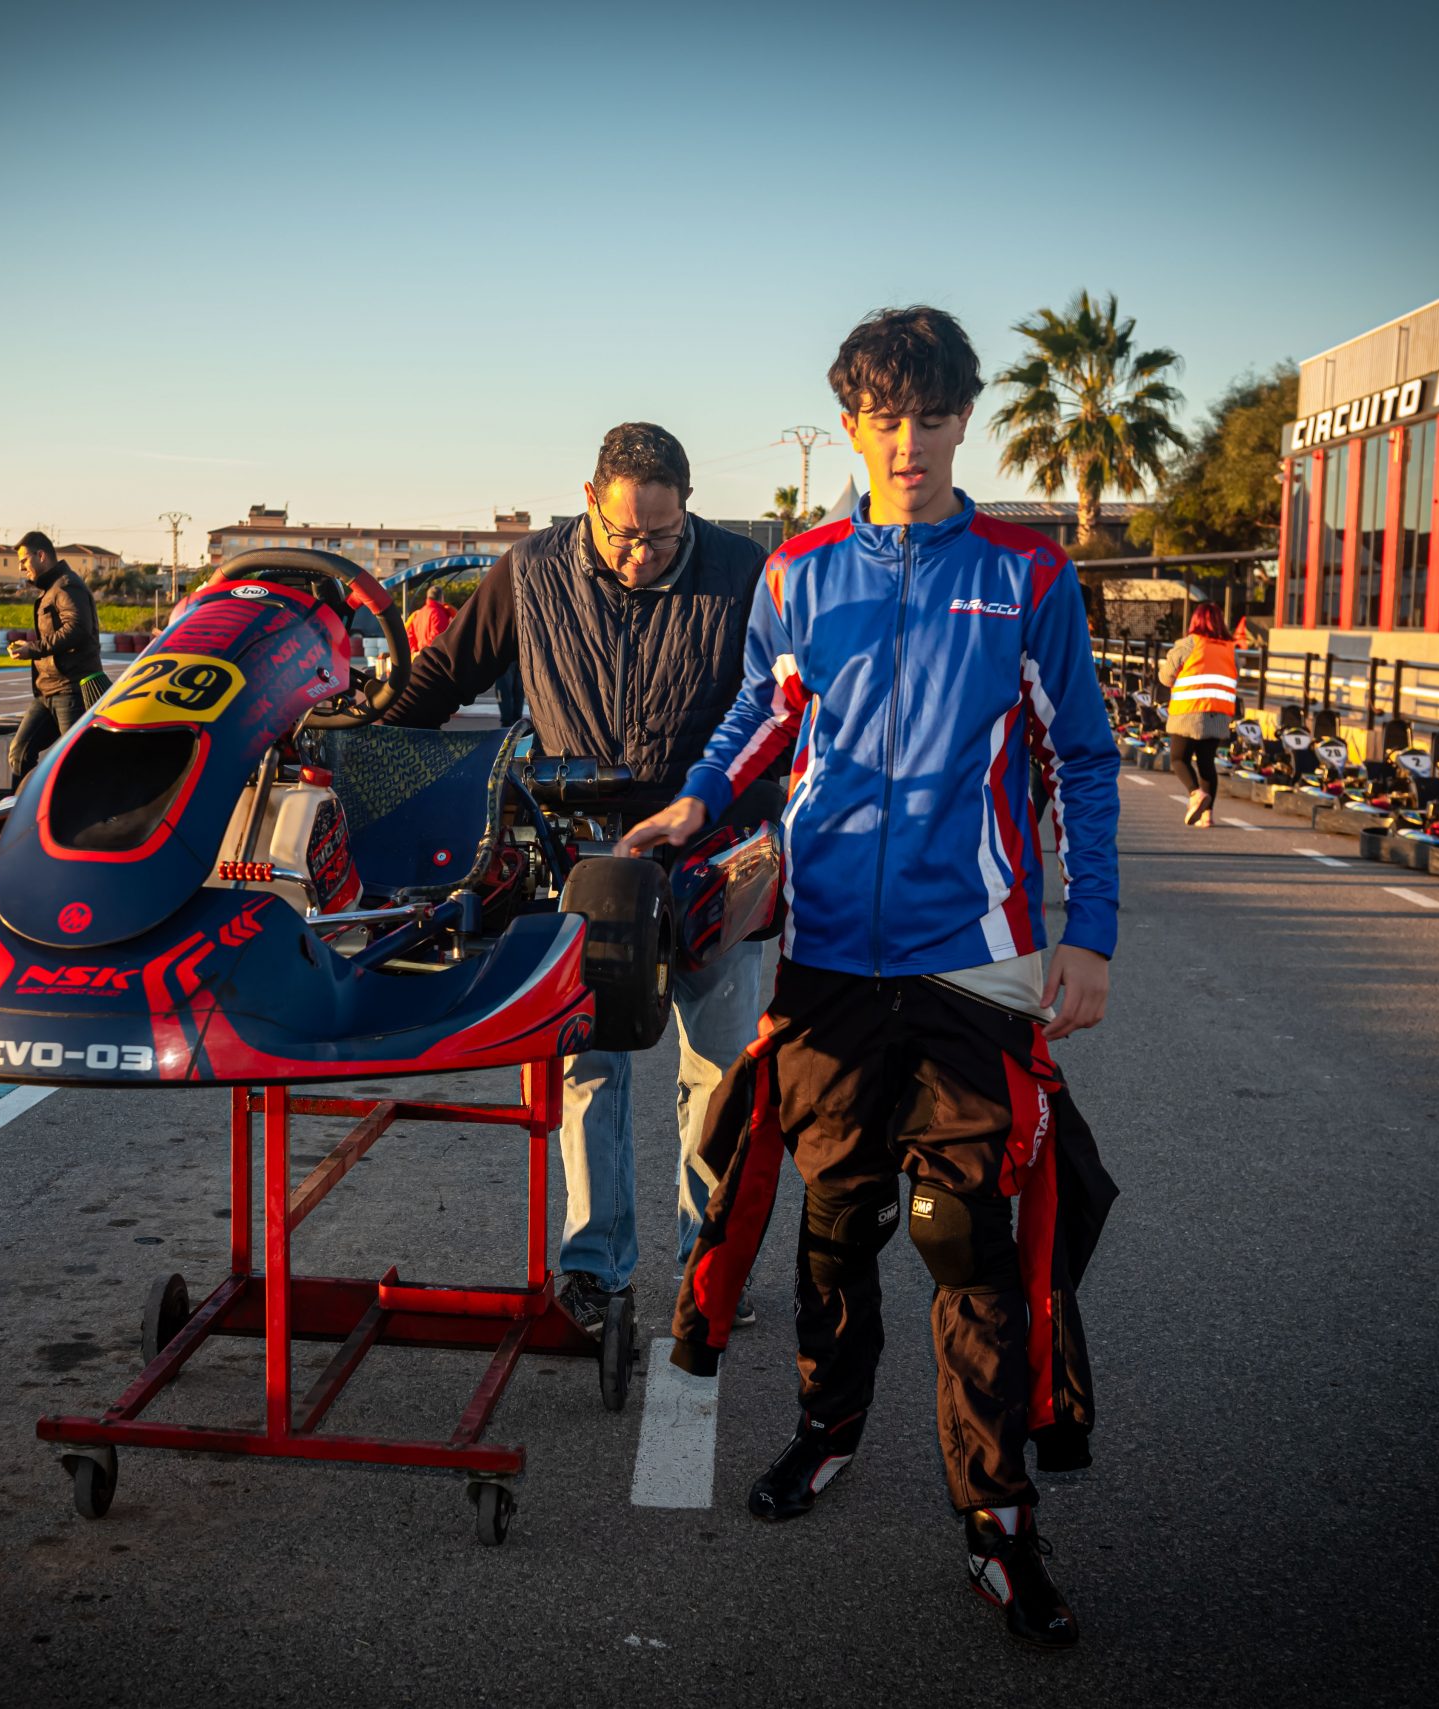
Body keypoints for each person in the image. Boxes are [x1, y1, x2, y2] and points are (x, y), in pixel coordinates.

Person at [619, 306, 1121, 1651]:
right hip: (828, 954)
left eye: (933, 417)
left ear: (965, 421)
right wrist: (697, 801)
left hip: (977, 959)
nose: (909, 442)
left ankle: (998, 1519)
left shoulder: (1028, 573)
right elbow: (763, 712)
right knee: (835, 1220)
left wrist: (1090, 932)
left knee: (967, 1238)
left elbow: (1082, 759)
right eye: (886, 419)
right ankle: (827, 1425)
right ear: (851, 425)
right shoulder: (799, 572)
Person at [384, 422, 771, 1339]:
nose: (642, 555)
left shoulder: (746, 572)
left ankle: (707, 1263)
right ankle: (594, 1266)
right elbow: (445, 675)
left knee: (719, 1074)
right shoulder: (531, 570)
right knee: (587, 1066)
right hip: (586, 860)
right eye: (625, 535)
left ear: (689, 509)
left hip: (714, 854)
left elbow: (784, 701)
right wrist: (375, 753)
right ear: (589, 500)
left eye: (664, 536)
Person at [6, 530, 103, 782]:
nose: (21, 568)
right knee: (19, 752)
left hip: (71, 690)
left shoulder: (67, 586)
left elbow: (78, 629)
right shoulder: (51, 589)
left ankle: (79, 806)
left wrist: (33, 649)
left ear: (41, 556)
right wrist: (30, 647)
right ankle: (21, 806)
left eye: (24, 561)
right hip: (46, 692)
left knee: (74, 762)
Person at [1160, 601, 1236, 825]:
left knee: (1178, 758)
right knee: (1206, 763)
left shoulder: (1189, 644)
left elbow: (1165, 677)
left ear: (1195, 620)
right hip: (1218, 713)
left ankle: (1195, 793)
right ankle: (1207, 815)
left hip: (1189, 711)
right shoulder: (1229, 648)